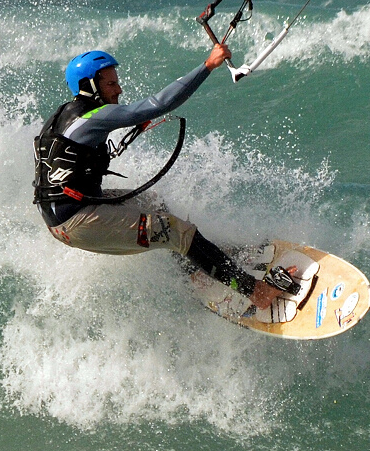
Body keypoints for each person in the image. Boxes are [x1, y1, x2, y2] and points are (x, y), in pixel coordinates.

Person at [33, 43, 301, 319]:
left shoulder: (62, 116)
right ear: (90, 86)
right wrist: (209, 65)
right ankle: (257, 292)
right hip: (77, 221)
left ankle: (196, 269)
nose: (119, 90)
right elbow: (158, 104)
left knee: (153, 203)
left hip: (68, 211)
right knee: (175, 230)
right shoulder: (94, 116)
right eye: (111, 83)